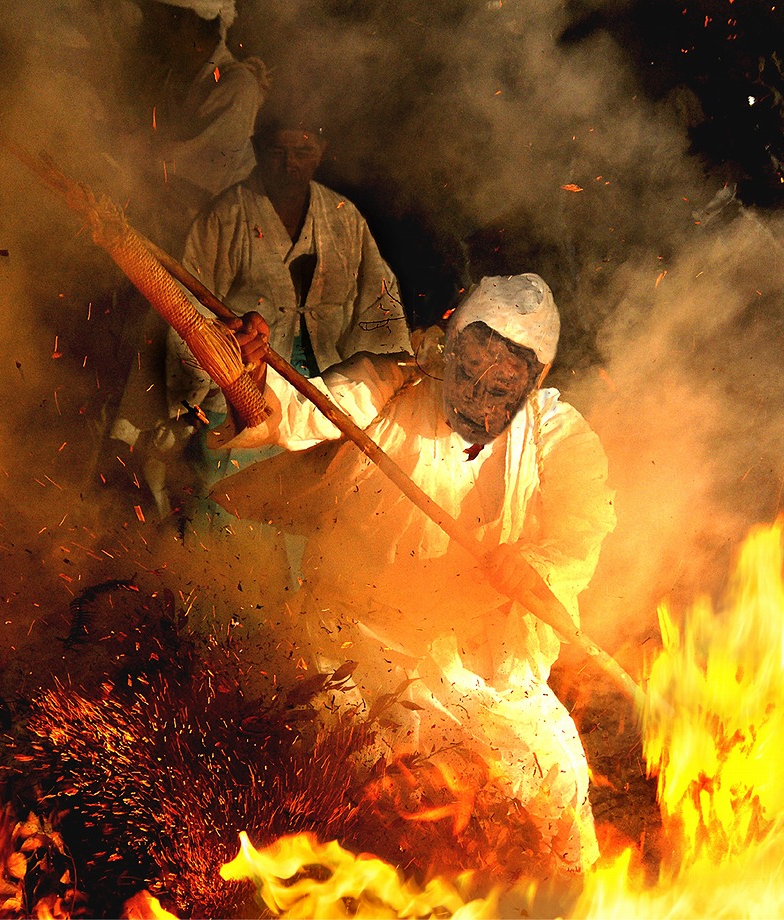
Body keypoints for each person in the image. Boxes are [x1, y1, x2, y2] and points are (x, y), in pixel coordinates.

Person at [216, 273, 616, 877]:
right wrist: (245, 373)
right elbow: (290, 413)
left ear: (532, 384)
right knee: (344, 814)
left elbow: (585, 522)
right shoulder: (390, 385)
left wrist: (534, 563)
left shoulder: (557, 435)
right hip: (353, 651)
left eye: (500, 391)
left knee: (555, 779)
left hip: (482, 664)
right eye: (468, 375)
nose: (478, 402)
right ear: (450, 350)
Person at [141, 110, 411, 519]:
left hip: (322, 389)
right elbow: (185, 306)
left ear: (320, 151)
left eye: (303, 150)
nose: (290, 163)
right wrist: (192, 402)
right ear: (255, 149)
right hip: (239, 379)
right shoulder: (225, 215)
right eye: (277, 151)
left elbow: (377, 297)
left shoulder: (343, 217)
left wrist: (391, 368)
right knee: (222, 507)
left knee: (304, 508)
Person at [104, 0, 269, 505]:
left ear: (200, 26)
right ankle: (131, 496)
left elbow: (185, 167)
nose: (160, 29)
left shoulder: (235, 86)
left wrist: (119, 167)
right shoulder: (185, 75)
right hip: (169, 241)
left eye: (171, 19)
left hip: (213, 254)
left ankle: (171, 520)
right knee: (145, 373)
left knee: (185, 382)